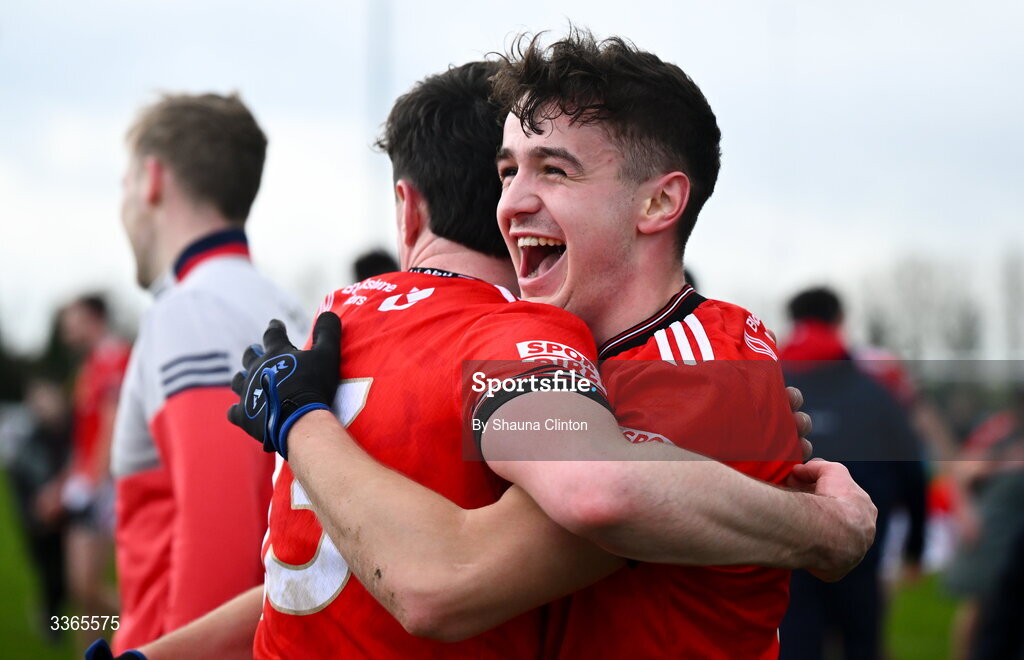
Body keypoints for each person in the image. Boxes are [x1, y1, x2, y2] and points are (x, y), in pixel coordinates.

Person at [112, 53, 873, 660]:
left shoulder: (695, 371)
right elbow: (331, 565)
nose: (511, 201)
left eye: (554, 169)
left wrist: (302, 421)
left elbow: (448, 578)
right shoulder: (549, 360)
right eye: (507, 170)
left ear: (657, 203)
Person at [107, 93, 307, 652]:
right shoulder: (287, 307)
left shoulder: (190, 312)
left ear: (151, 180)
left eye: (123, 184)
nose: (122, 205)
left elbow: (218, 541)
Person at [778, 287, 927, 660]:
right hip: (862, 547)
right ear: (840, 321)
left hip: (787, 543)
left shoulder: (768, 381)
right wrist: (915, 547)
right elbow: (912, 468)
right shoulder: (877, 390)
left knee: (798, 643)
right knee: (862, 644)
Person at [59, 294, 130, 621]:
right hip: (86, 483)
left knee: (87, 585)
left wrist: (93, 483)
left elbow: (111, 425)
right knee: (81, 595)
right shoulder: (88, 367)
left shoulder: (115, 359)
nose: (67, 330)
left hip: (104, 486)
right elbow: (84, 435)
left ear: (93, 319)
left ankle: (154, 629)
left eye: (73, 322)